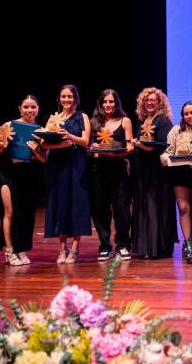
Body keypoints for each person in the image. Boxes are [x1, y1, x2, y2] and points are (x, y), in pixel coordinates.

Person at [38, 85, 92, 264]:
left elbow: (85, 141)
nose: (66, 100)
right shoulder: (54, 118)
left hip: (76, 165)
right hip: (57, 166)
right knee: (59, 204)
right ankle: (62, 248)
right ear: (59, 99)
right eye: (63, 96)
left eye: (70, 97)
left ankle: (75, 248)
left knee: (76, 204)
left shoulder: (82, 117)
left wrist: (69, 136)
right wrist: (61, 145)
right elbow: (43, 144)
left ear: (75, 99)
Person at [0, 94, 47, 266]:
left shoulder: (41, 130)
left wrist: (36, 151)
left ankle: (21, 250)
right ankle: (9, 251)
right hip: (9, 173)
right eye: (26, 107)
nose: (29, 110)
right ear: (20, 108)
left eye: (33, 107)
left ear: (38, 109)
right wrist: (0, 147)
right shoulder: (9, 125)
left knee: (26, 214)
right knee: (9, 212)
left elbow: (44, 159)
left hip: (29, 175)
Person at [161, 101, 192, 264]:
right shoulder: (176, 130)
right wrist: (165, 159)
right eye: (186, 113)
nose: (189, 116)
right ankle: (189, 244)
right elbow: (168, 151)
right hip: (179, 172)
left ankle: (187, 241)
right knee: (183, 208)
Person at [88, 89, 134, 262]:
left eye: (111, 102)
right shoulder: (93, 123)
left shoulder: (125, 121)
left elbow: (130, 146)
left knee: (122, 210)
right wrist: (94, 150)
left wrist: (120, 151)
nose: (108, 105)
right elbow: (90, 146)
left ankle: (123, 245)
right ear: (100, 104)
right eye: (105, 102)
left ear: (116, 103)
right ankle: (105, 246)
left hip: (119, 169)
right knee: (100, 209)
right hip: (98, 170)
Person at [131, 87, 177, 259]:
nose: (149, 103)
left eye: (153, 100)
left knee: (157, 208)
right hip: (143, 172)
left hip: (159, 173)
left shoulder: (163, 121)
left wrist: (140, 145)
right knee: (145, 208)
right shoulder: (143, 121)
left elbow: (164, 146)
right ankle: (145, 247)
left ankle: (158, 248)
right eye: (147, 100)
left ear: (160, 103)